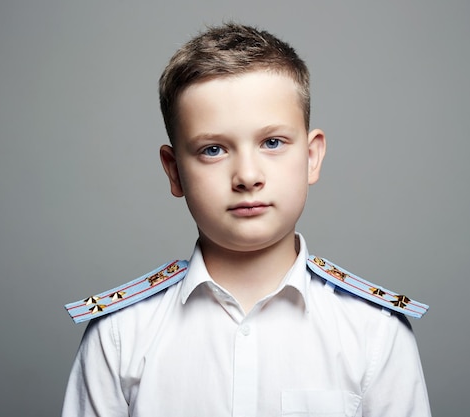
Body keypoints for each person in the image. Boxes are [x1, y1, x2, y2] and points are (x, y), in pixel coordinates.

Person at [62, 23, 431, 417]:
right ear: (174, 171)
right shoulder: (120, 336)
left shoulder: (374, 333)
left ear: (311, 157)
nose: (247, 176)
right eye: (213, 149)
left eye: (272, 143)